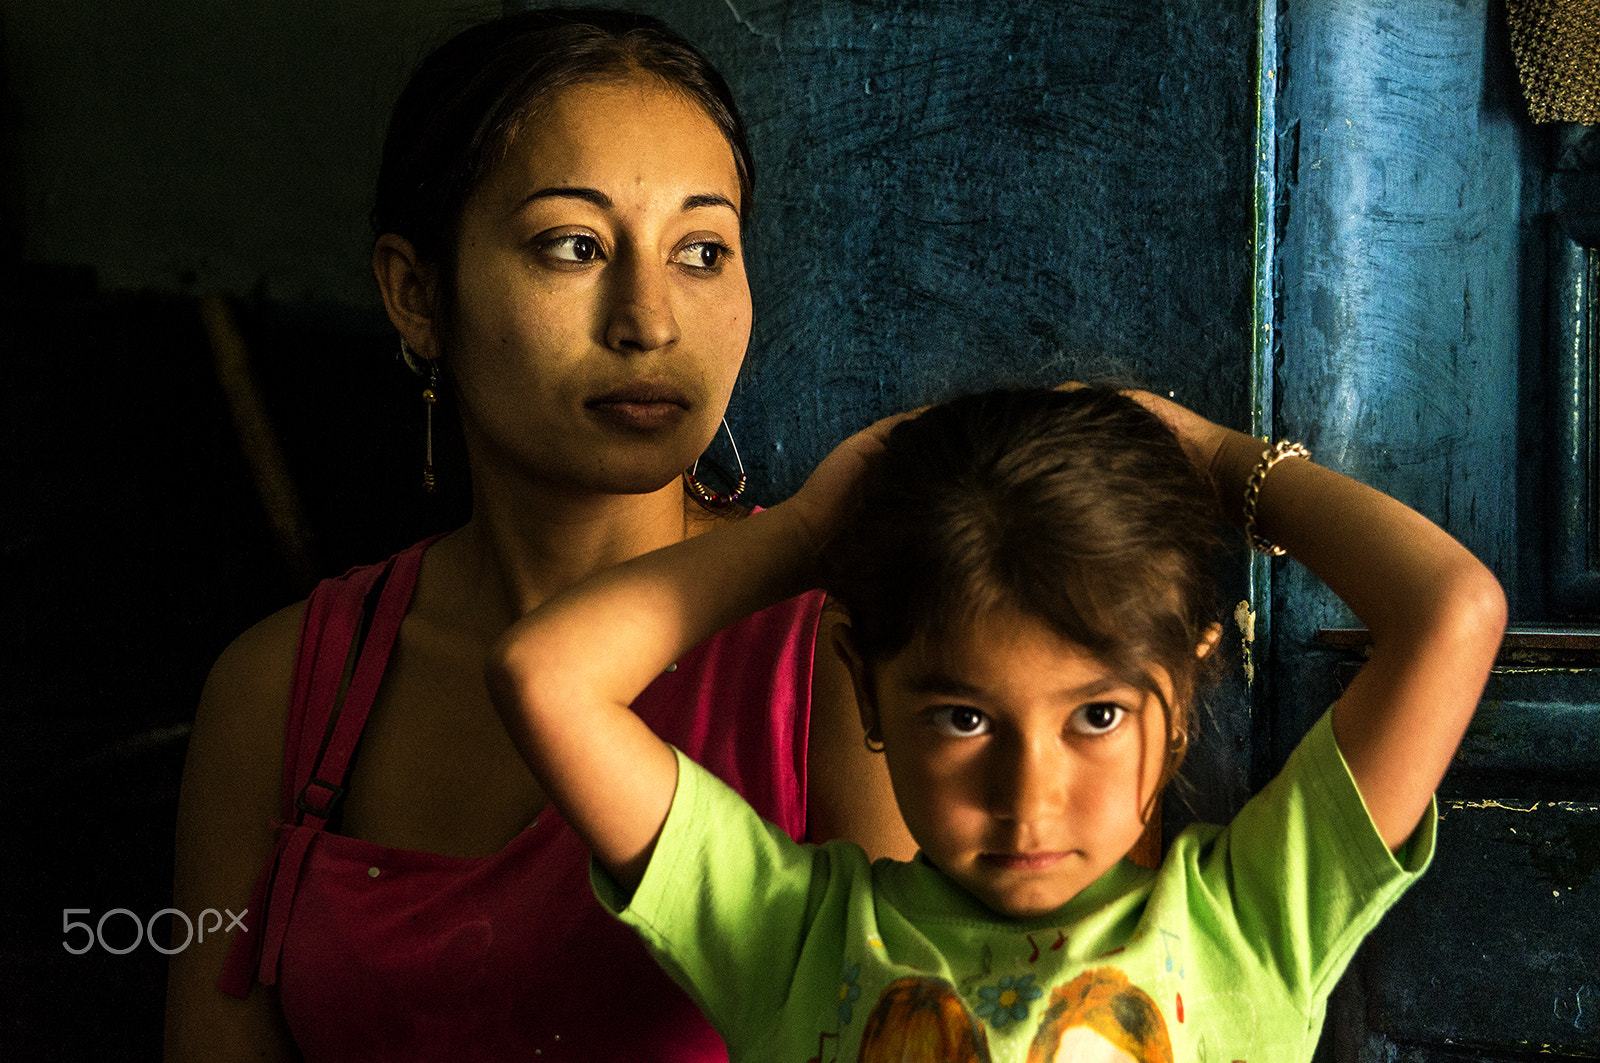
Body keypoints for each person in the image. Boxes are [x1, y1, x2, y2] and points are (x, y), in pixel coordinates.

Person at [164, 9, 913, 1062]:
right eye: (574, 245)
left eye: (702, 250)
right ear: (417, 294)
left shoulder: (844, 663)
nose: (648, 322)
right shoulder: (284, 692)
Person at [486, 385, 1508, 1062]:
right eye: (965, 718)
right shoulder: (788, 937)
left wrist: (1213, 455)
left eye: (1098, 714)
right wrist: (804, 533)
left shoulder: (1251, 925)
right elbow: (545, 677)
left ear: (1187, 691)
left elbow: (1453, 613)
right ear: (864, 688)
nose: (1029, 796)